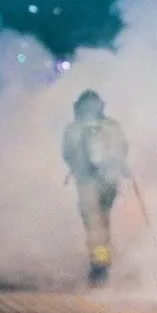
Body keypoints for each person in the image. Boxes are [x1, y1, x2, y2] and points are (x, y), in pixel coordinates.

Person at [61, 90, 130, 287]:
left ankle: (100, 265)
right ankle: (103, 259)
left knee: (93, 224)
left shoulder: (73, 128)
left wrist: (78, 167)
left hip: (86, 183)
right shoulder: (113, 126)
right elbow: (123, 149)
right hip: (110, 182)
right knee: (104, 219)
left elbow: (66, 153)